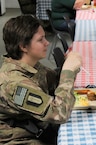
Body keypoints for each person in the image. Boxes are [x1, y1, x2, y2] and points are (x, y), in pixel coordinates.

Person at [0, 15, 82, 144]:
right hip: (21, 139)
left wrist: (67, 66)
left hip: (38, 128)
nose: (47, 42)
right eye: (40, 39)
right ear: (23, 47)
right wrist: (68, 72)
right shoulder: (14, 84)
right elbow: (60, 114)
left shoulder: (30, 65)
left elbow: (54, 83)